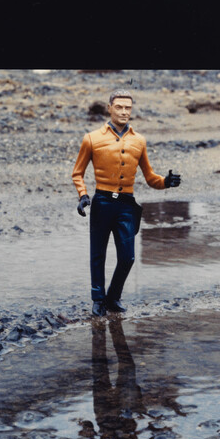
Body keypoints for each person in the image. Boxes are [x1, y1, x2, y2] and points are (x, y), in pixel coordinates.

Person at [72, 89, 182, 316]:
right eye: (119, 107)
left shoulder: (139, 141)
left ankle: (113, 297)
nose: (124, 112)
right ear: (109, 108)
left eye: (128, 108)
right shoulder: (91, 139)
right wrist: (83, 195)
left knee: (128, 257)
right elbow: (77, 173)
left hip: (126, 205)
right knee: (97, 254)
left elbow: (151, 178)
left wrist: (167, 182)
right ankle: (98, 299)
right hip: (102, 202)